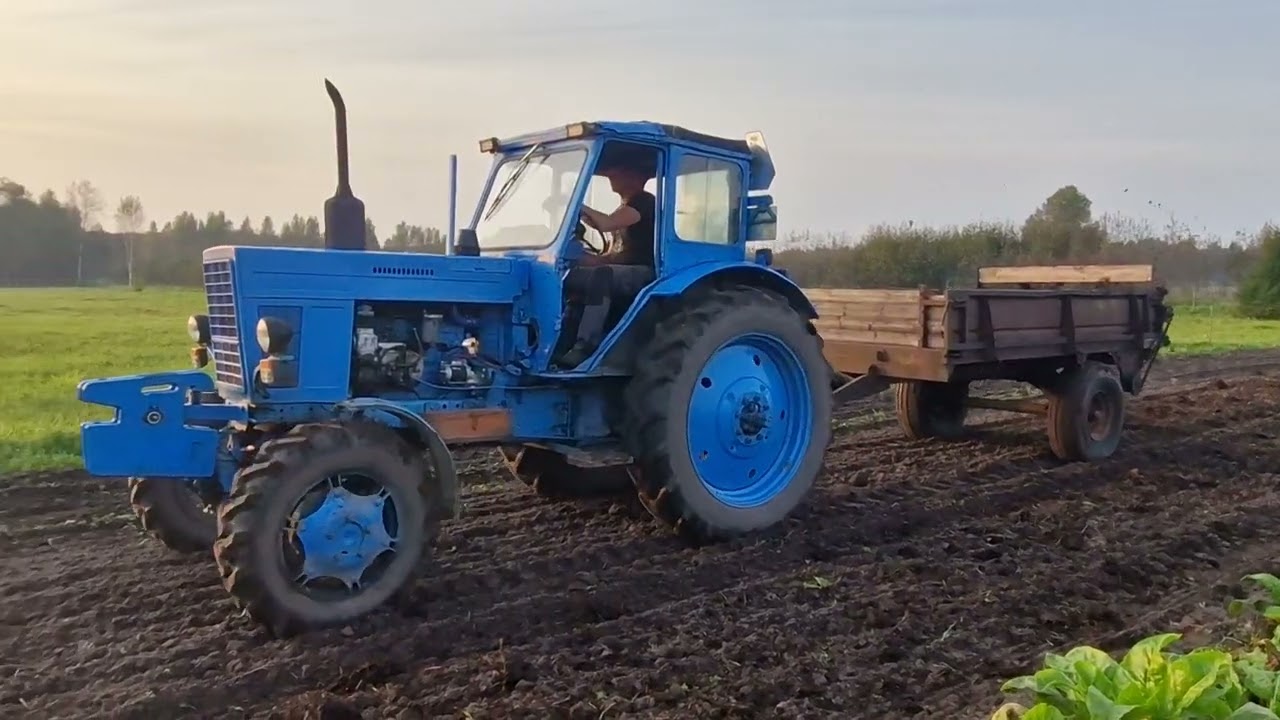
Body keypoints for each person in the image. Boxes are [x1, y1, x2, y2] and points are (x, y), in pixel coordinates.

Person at [555, 161, 657, 368]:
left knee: (602, 276)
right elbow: (613, 250)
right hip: (624, 268)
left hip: (644, 273)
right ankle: (559, 344)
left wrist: (576, 205)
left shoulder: (644, 202)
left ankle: (586, 346)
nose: (610, 173)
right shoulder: (624, 207)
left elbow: (606, 224)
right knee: (573, 276)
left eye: (617, 169)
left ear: (636, 176)